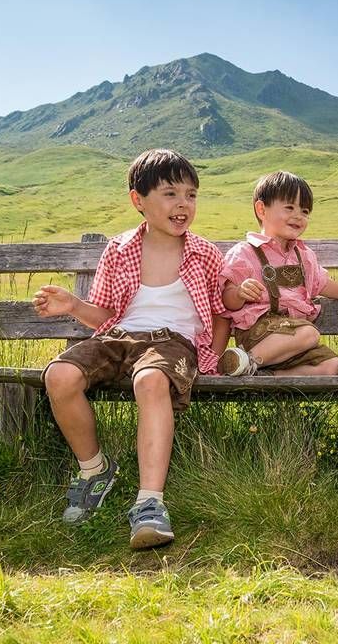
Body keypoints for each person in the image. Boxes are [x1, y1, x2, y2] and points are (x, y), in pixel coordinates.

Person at [32, 149, 229, 550]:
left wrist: (213, 356)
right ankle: (94, 470)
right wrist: (71, 305)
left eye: (191, 195)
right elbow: (102, 312)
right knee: (60, 374)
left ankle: (150, 502)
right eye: (170, 194)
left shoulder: (205, 252)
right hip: (118, 337)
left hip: (172, 343)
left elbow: (222, 312)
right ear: (138, 200)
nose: (183, 205)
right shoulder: (120, 249)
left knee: (151, 381)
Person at [217, 170, 338, 376]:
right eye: (289, 208)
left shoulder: (303, 255)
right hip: (261, 334)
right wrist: (239, 293)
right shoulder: (245, 252)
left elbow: (323, 284)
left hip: (294, 341)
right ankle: (245, 359)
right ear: (262, 209)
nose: (298, 216)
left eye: (304, 211)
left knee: (334, 365)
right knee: (309, 333)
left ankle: (266, 375)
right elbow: (227, 301)